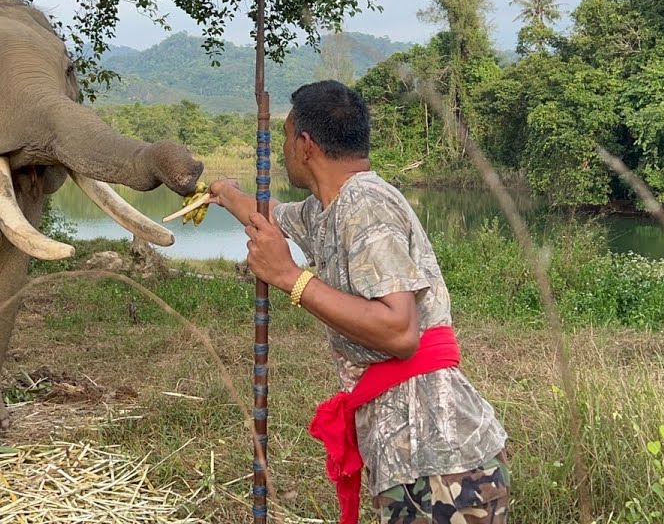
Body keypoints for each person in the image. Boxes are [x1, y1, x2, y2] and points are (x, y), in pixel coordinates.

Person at [207, 80, 510, 524]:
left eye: (287, 137)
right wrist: (223, 192)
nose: (285, 148)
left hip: (441, 458)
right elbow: (271, 215)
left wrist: (288, 275)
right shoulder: (328, 208)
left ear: (305, 145)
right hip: (409, 456)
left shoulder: (365, 204)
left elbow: (400, 331)